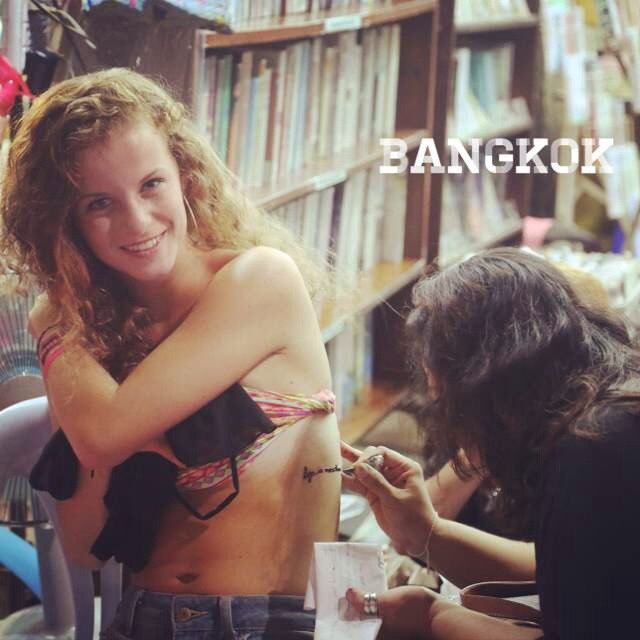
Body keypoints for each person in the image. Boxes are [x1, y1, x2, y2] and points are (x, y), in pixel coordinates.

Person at [0, 68, 341, 639]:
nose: (137, 221)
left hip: (263, 623)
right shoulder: (97, 335)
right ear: (66, 224)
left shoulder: (261, 280)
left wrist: (51, 324)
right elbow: (86, 547)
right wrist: (73, 328)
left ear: (186, 175)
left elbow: (103, 435)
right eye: (99, 203)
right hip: (141, 617)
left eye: (151, 184)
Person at [341, 248, 640, 640]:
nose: (453, 424)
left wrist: (433, 617)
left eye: (451, 403)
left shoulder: (593, 450)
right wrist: (425, 533)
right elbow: (557, 568)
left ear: (485, 386)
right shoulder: (604, 415)